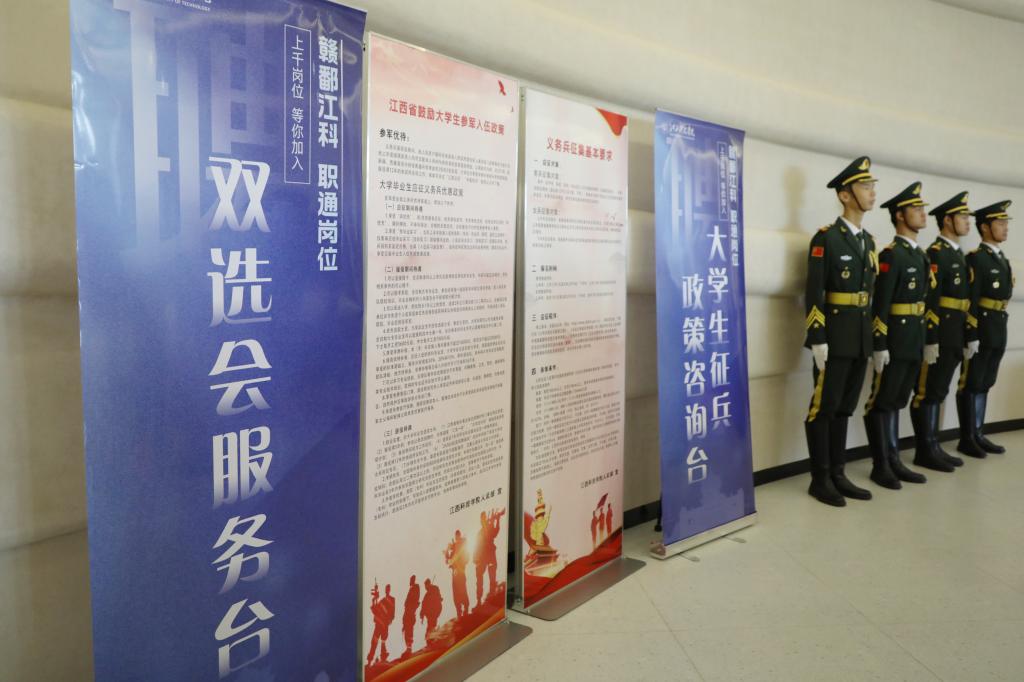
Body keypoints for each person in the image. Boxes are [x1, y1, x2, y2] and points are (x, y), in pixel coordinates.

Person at [803, 156, 879, 506]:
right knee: (824, 407)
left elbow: (870, 296)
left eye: (872, 186)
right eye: (865, 186)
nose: (872, 192)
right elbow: (814, 291)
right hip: (834, 337)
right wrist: (817, 337)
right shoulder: (827, 238)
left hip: (860, 337)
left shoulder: (869, 242)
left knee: (845, 407)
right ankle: (820, 479)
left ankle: (838, 473)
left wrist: (874, 340)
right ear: (845, 195)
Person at [864, 182, 944, 488]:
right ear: (899, 215)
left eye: (923, 209)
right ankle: (881, 464)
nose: (923, 214)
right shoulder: (892, 255)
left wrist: (928, 339)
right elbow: (880, 304)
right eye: (916, 209)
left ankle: (894, 459)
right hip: (895, 339)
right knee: (882, 400)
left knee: (898, 398)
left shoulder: (920, 255)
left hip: (913, 337)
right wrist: (879, 343)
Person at [910, 192, 974, 466]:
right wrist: (931, 337)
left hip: (955, 331)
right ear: (947, 220)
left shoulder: (957, 254)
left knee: (940, 390)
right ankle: (924, 450)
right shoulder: (936, 253)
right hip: (941, 332)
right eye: (962, 216)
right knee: (927, 391)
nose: (967, 221)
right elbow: (931, 300)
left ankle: (933, 445)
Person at [957, 201, 1014, 455]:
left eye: (1005, 223)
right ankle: (967, 437)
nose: (1005, 228)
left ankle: (978, 433)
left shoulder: (1001, 258)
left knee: (986, 381)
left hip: (998, 326)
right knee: (971, 382)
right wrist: (971, 333)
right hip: (982, 328)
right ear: (985, 227)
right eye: (1000, 223)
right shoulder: (976, 259)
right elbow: (971, 299)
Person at [367, 582, 395, 666]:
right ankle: (369, 661)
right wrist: (374, 600)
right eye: (386, 588)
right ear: (385, 590)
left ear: (389, 590)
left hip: (385, 624)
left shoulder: (392, 600)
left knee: (383, 642)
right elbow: (375, 609)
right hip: (379, 624)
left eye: (388, 589)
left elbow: (392, 613)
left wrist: (389, 620)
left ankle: (383, 659)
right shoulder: (382, 600)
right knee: (374, 642)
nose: (387, 590)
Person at [444, 530, 469, 619]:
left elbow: (466, 558)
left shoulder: (462, 545)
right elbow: (447, 561)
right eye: (456, 536)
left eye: (458, 536)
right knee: (456, 593)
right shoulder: (454, 548)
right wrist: (447, 551)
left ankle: (465, 609)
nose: (457, 538)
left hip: (460, 572)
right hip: (455, 573)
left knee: (462, 591)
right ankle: (459, 611)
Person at [401, 575, 420, 657]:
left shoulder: (415, 588)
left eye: (411, 580)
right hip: (408, 613)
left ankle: (409, 648)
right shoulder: (413, 589)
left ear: (413, 580)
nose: (410, 581)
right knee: (407, 630)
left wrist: (411, 609)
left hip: (410, 613)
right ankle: (408, 648)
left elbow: (413, 601)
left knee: (409, 630)